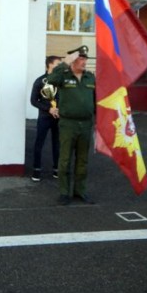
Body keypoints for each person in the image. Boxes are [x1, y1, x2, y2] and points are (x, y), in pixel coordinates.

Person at [46, 46, 96, 205]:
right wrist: (64, 63)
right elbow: (51, 80)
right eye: (80, 59)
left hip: (86, 124)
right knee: (65, 159)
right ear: (73, 61)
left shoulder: (90, 77)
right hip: (68, 124)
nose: (84, 62)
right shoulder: (63, 76)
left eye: (85, 59)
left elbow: (96, 99)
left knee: (82, 160)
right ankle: (64, 193)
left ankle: (80, 191)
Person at [29, 55, 62, 182]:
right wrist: (49, 109)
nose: (60, 66)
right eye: (57, 64)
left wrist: (60, 110)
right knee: (39, 143)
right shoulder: (40, 81)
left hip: (59, 117)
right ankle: (36, 170)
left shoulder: (61, 80)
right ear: (49, 65)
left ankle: (56, 170)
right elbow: (33, 100)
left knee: (57, 144)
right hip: (44, 117)